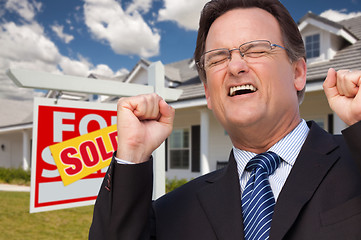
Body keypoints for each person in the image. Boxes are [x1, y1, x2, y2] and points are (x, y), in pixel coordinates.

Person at [89, 0, 361, 239]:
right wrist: (132, 155)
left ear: (298, 73)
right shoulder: (170, 212)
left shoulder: (354, 160)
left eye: (255, 49)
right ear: (207, 92)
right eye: (218, 58)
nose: (234, 66)